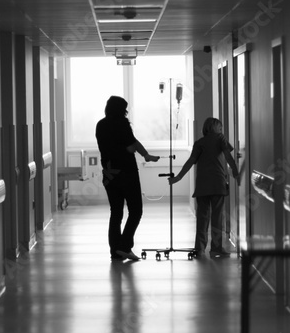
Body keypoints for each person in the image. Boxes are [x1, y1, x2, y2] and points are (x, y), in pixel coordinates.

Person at [95, 95, 159, 261]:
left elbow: (129, 141)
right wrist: (141, 153)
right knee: (136, 210)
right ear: (121, 109)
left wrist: (145, 154)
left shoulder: (100, 125)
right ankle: (124, 246)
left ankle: (115, 251)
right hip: (127, 173)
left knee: (116, 213)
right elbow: (130, 147)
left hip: (109, 174)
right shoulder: (122, 124)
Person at [168, 117, 240, 257]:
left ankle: (199, 249)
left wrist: (178, 177)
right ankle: (216, 249)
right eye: (220, 127)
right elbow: (229, 157)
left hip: (202, 184)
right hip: (217, 183)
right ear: (214, 128)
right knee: (217, 217)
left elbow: (190, 162)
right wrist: (236, 173)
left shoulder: (199, 143)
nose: (221, 130)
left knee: (202, 217)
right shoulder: (221, 139)